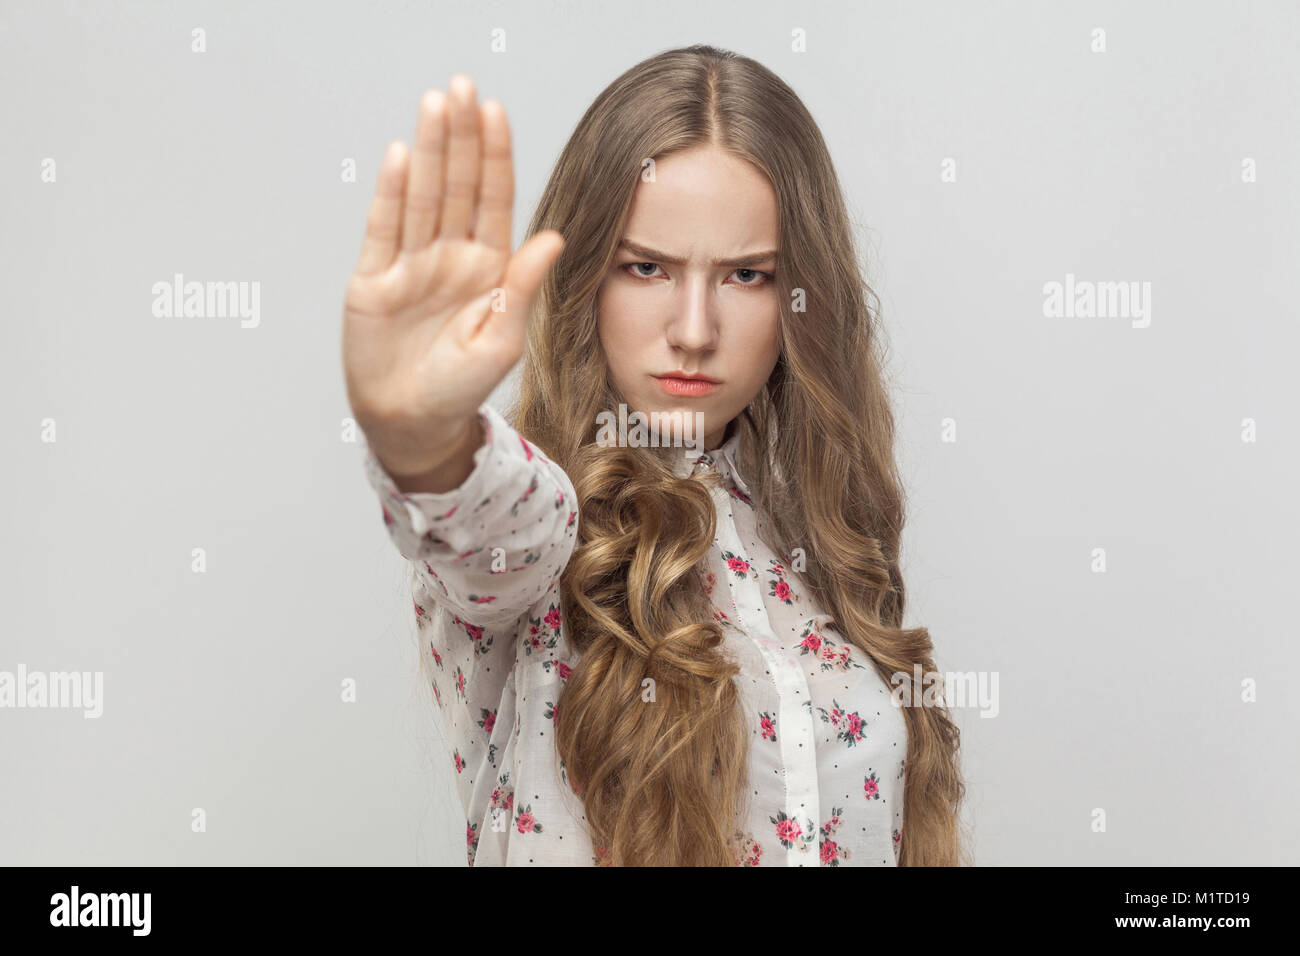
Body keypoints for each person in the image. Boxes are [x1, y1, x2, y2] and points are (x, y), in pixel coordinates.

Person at [341, 44, 967, 866]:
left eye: (746, 276)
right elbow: (488, 514)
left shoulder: (818, 544)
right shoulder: (546, 534)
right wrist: (422, 438)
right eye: (646, 268)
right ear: (584, 278)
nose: (695, 330)